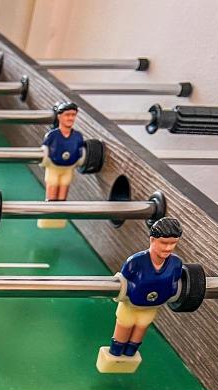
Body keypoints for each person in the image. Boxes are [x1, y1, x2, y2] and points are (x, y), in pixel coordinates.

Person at [97, 217, 184, 374]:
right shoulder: (135, 262)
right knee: (124, 326)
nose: (168, 248)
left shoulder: (176, 264)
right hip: (130, 305)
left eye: (173, 243)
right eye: (164, 243)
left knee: (140, 329)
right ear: (152, 240)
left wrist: (170, 292)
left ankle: (130, 354)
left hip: (151, 307)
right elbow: (123, 280)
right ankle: (115, 354)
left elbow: (175, 283)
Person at [39, 100, 86, 228]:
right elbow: (44, 150)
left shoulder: (77, 136)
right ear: (59, 116)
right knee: (52, 190)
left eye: (73, 115)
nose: (70, 118)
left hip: (68, 168)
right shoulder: (52, 135)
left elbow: (81, 150)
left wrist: (80, 158)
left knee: (63, 192)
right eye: (67, 115)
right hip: (54, 167)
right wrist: (45, 160)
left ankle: (59, 220)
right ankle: (48, 218)